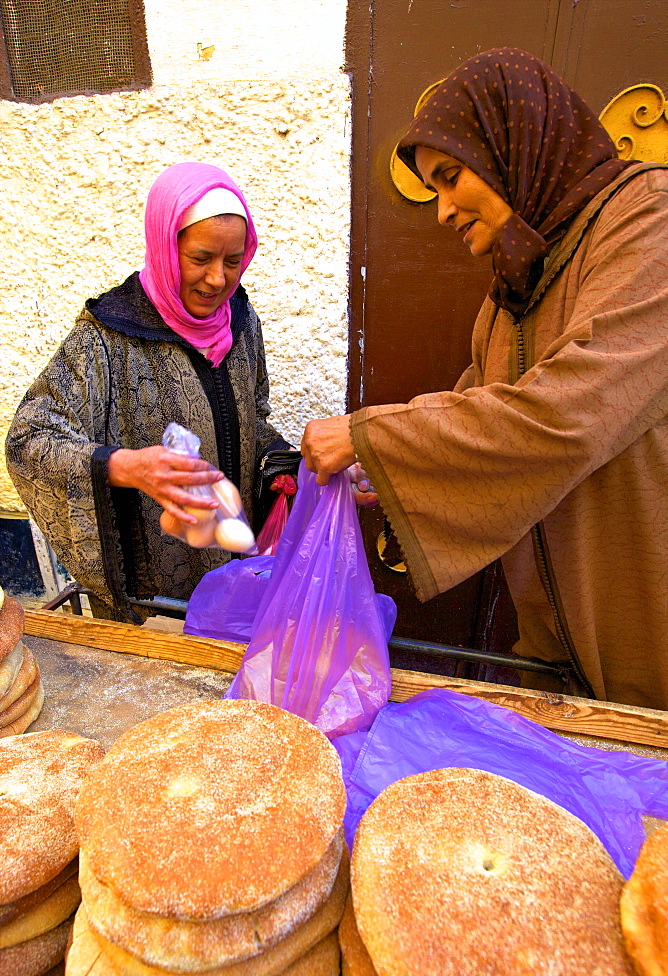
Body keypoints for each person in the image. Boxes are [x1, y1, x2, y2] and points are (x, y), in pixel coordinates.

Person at [301, 47, 668, 710]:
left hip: (648, 640)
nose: (442, 210)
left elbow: (565, 413)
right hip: (555, 653)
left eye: (450, 176)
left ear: (515, 145)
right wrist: (381, 473)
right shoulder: (512, 290)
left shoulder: (648, 227)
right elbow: (479, 406)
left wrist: (372, 436)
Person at [6, 162, 293, 621]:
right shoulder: (106, 336)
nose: (218, 279)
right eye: (200, 259)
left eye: (233, 261)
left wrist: (292, 466)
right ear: (164, 246)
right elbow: (29, 440)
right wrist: (126, 466)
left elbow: (253, 421)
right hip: (153, 597)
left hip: (237, 574)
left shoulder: (240, 321)